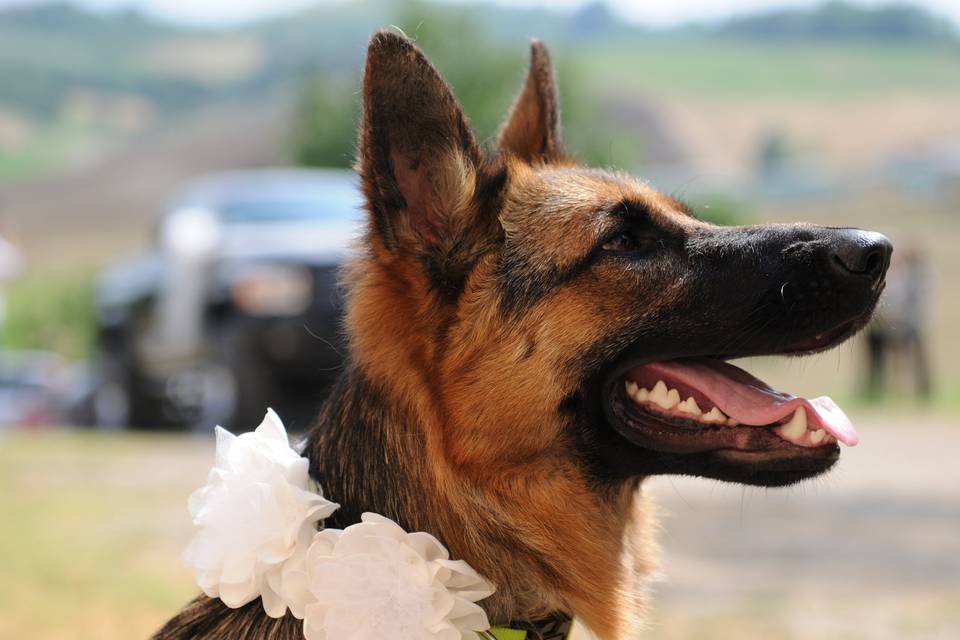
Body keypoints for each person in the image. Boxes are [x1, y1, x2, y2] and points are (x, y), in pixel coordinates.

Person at [865, 243, 932, 400]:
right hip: (893, 325)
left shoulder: (915, 277)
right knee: (895, 359)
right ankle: (896, 389)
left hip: (908, 325)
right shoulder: (897, 277)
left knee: (908, 358)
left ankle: (913, 389)